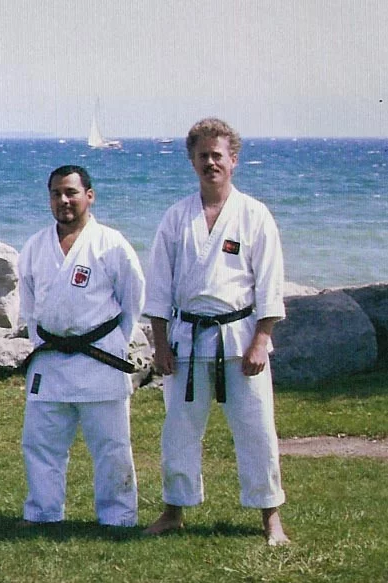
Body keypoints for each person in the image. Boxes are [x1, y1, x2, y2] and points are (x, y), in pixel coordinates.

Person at [142, 118, 290, 545]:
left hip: (241, 340)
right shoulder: (176, 217)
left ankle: (270, 516)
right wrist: (160, 343)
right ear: (192, 160)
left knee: (257, 429)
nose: (211, 163)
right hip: (187, 340)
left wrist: (261, 340)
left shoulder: (254, 215)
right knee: (179, 430)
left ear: (233, 160)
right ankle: (174, 509)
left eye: (218, 155)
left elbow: (270, 282)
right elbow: (159, 287)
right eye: (203, 155)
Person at [18, 165, 145, 527]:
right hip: (51, 359)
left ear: (90, 196)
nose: (64, 200)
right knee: (41, 445)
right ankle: (43, 512)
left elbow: (132, 299)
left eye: (71, 192)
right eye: (56, 193)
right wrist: (41, 341)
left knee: (111, 446)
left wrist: (116, 341)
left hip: (100, 357)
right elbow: (29, 305)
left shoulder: (111, 244)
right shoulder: (35, 246)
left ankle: (118, 516)